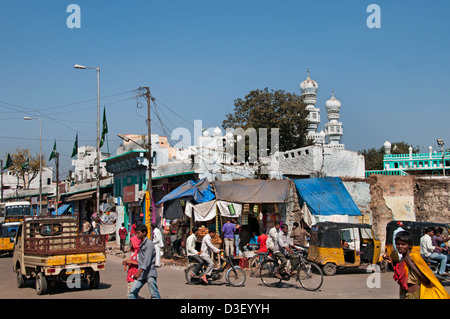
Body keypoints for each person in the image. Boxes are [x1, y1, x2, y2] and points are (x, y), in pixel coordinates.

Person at [384, 230, 450, 299]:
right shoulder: (403, 258)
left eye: (403, 244)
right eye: (398, 244)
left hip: (417, 294)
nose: (400, 246)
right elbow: (401, 277)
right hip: (406, 294)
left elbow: (426, 281)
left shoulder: (414, 257)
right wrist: (391, 262)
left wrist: (411, 265)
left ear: (410, 246)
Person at [128, 224, 161, 299]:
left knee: (154, 295)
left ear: (144, 233)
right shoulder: (141, 243)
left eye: (138, 233)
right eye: (136, 233)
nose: (137, 235)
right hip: (142, 274)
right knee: (132, 292)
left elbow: (147, 260)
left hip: (149, 273)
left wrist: (138, 273)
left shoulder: (149, 244)